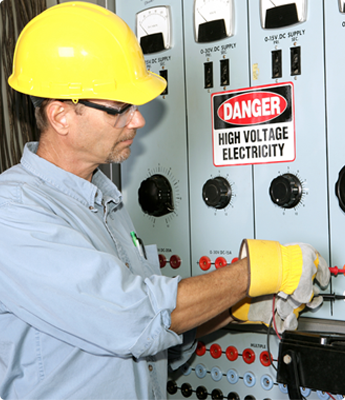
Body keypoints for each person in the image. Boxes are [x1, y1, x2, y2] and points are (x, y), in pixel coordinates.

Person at [0, 2, 330, 399]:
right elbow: (132, 318)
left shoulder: (104, 204)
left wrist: (236, 306)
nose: (137, 120)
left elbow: (157, 335)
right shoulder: (14, 212)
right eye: (120, 108)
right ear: (61, 116)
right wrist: (256, 270)